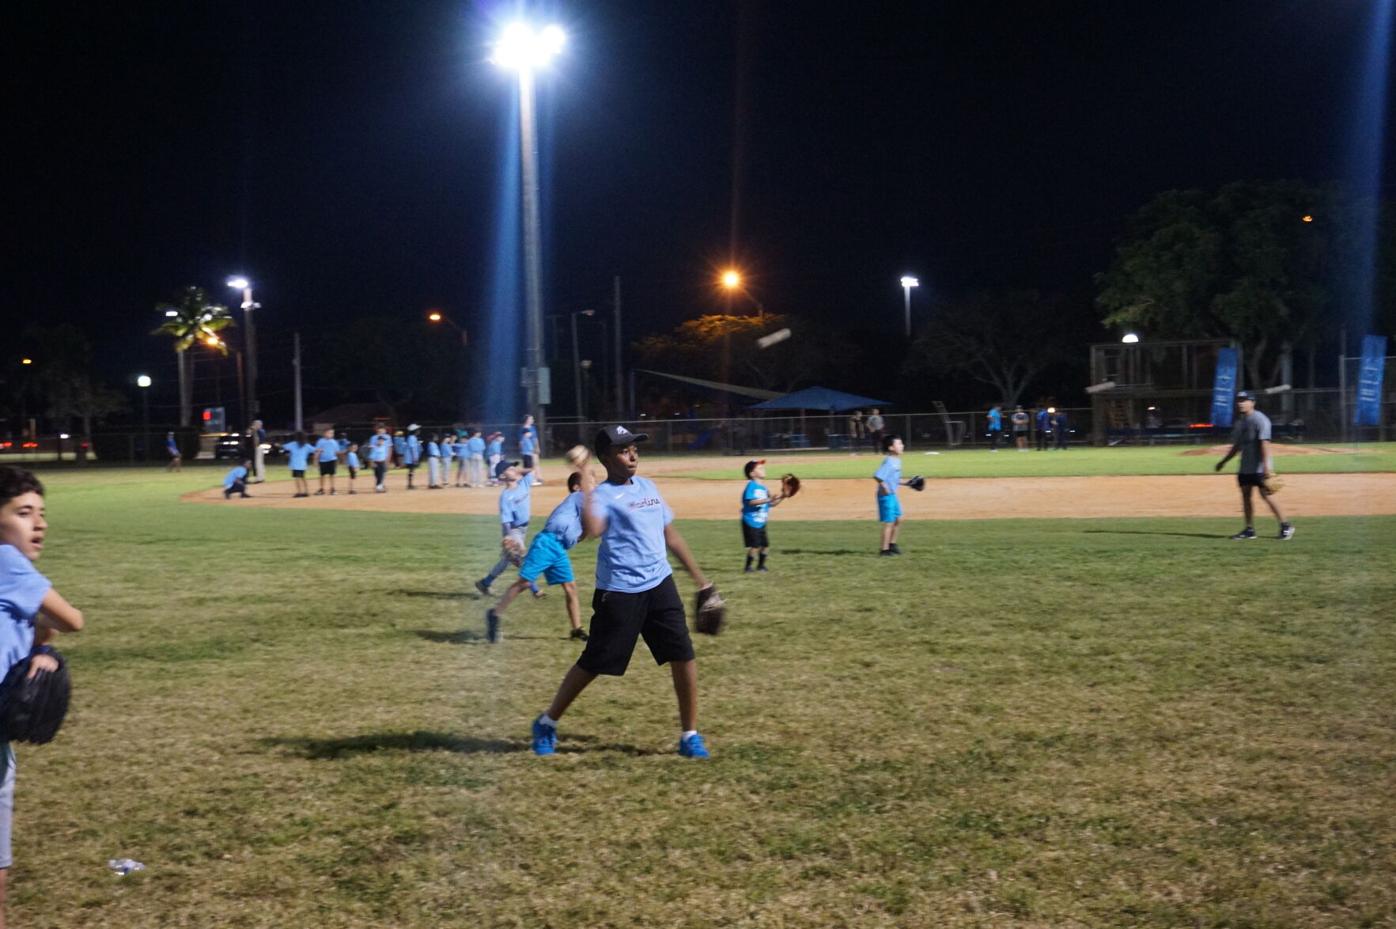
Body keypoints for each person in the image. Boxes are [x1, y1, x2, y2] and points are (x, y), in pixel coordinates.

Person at [529, 425, 715, 759]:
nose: (632, 454)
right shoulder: (600, 495)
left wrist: (702, 582)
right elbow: (592, 529)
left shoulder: (649, 486)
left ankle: (690, 734)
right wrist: (585, 479)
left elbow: (670, 535)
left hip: (660, 583)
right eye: (623, 450)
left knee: (683, 654)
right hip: (620, 591)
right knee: (595, 662)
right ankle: (547, 721)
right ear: (606, 458)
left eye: (634, 449)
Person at [0, 467, 85, 926]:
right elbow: (72, 620)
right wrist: (47, 644)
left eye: (42, 514)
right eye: (24, 512)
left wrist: (37, 646)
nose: (40, 524)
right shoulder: (7, 563)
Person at [486, 471, 591, 644]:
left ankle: (576, 629)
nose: (593, 487)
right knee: (525, 582)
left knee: (570, 587)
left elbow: (588, 524)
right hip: (547, 543)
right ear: (576, 487)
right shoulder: (577, 497)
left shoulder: (580, 508)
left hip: (559, 549)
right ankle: (494, 613)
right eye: (590, 482)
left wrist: (584, 532)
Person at [1215, 391, 1294, 540]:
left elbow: (1264, 444)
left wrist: (1266, 467)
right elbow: (1237, 446)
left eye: (1244, 400)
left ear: (1252, 402)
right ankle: (1249, 529)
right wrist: (1224, 461)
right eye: (1239, 400)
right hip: (1245, 467)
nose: (1241, 403)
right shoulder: (1240, 422)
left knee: (1266, 496)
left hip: (1259, 468)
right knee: (1245, 496)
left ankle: (1286, 525)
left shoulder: (1260, 420)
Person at [474, 459, 542, 598]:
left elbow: (532, 470)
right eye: (509, 469)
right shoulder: (506, 497)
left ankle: (485, 583)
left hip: (523, 529)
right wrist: (510, 538)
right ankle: (536, 590)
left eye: (513, 467)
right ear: (502, 476)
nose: (513, 469)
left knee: (505, 561)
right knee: (522, 558)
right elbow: (506, 522)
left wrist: (517, 471)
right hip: (513, 530)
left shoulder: (523, 483)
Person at [740, 459, 787, 573]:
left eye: (762, 467)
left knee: (765, 546)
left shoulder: (764, 488)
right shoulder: (751, 486)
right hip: (750, 520)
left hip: (761, 521)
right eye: (759, 468)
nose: (763, 469)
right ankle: (748, 567)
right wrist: (768, 499)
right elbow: (750, 502)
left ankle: (761, 566)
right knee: (755, 546)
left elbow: (771, 504)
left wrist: (783, 496)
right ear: (752, 474)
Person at [283, 431, 314, 498]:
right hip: (302, 465)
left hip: (295, 465)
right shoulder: (306, 445)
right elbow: (314, 450)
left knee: (297, 478)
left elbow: (284, 447)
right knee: (303, 478)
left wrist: (277, 445)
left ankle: (299, 492)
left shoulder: (293, 444)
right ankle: (306, 491)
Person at [312, 427, 341, 496]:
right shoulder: (320, 441)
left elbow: (336, 452)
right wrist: (315, 460)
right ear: (325, 433)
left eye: (332, 433)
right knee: (322, 475)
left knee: (332, 475)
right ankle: (321, 489)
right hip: (323, 460)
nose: (331, 434)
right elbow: (317, 451)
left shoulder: (334, 442)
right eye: (330, 433)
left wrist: (339, 460)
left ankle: (333, 489)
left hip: (332, 460)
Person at [366, 425, 393, 493]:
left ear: (385, 430)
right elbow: (371, 450)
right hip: (376, 459)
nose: (381, 432)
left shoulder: (387, 437)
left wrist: (388, 459)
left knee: (383, 472)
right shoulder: (373, 438)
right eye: (379, 431)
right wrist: (371, 461)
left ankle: (379, 485)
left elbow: (389, 448)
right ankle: (379, 485)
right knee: (377, 473)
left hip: (383, 458)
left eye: (382, 430)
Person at [520, 416, 542, 484]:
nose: (532, 420)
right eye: (531, 419)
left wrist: (537, 447)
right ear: (527, 420)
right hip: (528, 450)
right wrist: (522, 450)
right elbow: (521, 441)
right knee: (529, 465)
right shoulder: (523, 429)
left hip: (532, 448)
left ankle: (538, 477)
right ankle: (531, 479)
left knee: (535, 463)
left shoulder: (532, 428)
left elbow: (535, 438)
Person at [402, 425, 422, 490]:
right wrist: (415, 458)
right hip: (411, 458)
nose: (419, 431)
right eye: (417, 429)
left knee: (411, 470)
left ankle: (410, 484)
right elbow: (413, 448)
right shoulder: (412, 438)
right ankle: (410, 484)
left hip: (411, 457)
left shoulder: (412, 437)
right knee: (411, 470)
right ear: (414, 431)